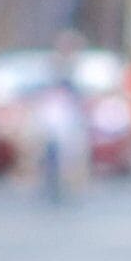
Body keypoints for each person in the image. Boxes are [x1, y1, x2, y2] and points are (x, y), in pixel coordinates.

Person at [29, 29, 96, 202]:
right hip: (54, 114)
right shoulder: (52, 65)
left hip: (66, 115)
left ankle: (67, 183)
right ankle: (48, 181)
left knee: (71, 151)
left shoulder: (74, 67)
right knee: (49, 149)